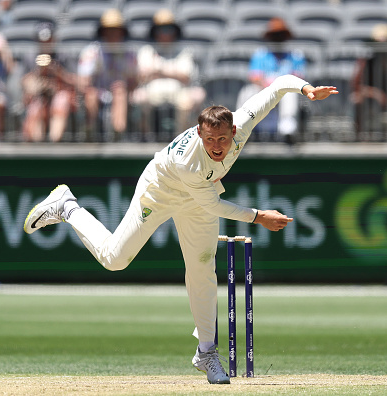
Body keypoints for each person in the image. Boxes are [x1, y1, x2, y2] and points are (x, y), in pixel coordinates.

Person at [23, 74, 337, 384]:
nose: (217, 146)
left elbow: (279, 84)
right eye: (210, 139)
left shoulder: (242, 123)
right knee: (114, 259)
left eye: (223, 139)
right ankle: (67, 207)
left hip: (199, 197)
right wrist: (259, 216)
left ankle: (206, 352)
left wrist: (307, 90)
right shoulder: (191, 160)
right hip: (160, 192)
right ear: (200, 134)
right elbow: (213, 205)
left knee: (202, 267)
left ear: (234, 131)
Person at [133, 8, 206, 141]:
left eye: (168, 29)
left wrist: (159, 71)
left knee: (188, 102)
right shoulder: (146, 50)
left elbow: (186, 76)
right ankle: (147, 138)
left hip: (179, 92)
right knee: (139, 98)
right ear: (154, 32)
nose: (165, 33)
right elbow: (142, 75)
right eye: (161, 29)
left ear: (175, 31)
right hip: (152, 92)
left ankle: (181, 139)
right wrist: (172, 73)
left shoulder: (184, 51)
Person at [235, 17, 306, 144]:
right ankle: (241, 127)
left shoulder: (295, 55)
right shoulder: (260, 54)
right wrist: (267, 86)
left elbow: (299, 77)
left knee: (290, 94)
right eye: (274, 35)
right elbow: (254, 76)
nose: (278, 39)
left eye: (280, 35)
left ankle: (287, 129)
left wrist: (280, 86)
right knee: (247, 91)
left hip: (285, 89)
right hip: (263, 87)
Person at [77, 8, 137, 141]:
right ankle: (90, 133)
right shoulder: (91, 52)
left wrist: (123, 86)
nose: (112, 34)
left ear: (122, 32)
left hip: (122, 95)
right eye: (109, 30)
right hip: (97, 93)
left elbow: (134, 81)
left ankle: (117, 134)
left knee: (120, 91)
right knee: (91, 95)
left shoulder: (129, 53)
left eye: (116, 30)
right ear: (102, 32)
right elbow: (83, 82)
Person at [21, 22, 77, 143]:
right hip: (40, 97)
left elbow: (76, 81)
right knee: (36, 107)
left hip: (60, 95)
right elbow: (24, 82)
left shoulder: (63, 56)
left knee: (60, 102)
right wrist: (38, 73)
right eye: (42, 41)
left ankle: (53, 143)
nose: (46, 44)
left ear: (54, 39)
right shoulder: (31, 57)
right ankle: (38, 147)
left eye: (49, 40)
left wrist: (58, 72)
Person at [351, 23, 387, 140]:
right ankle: (361, 137)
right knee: (357, 98)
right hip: (373, 101)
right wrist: (375, 93)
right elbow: (356, 85)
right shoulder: (366, 63)